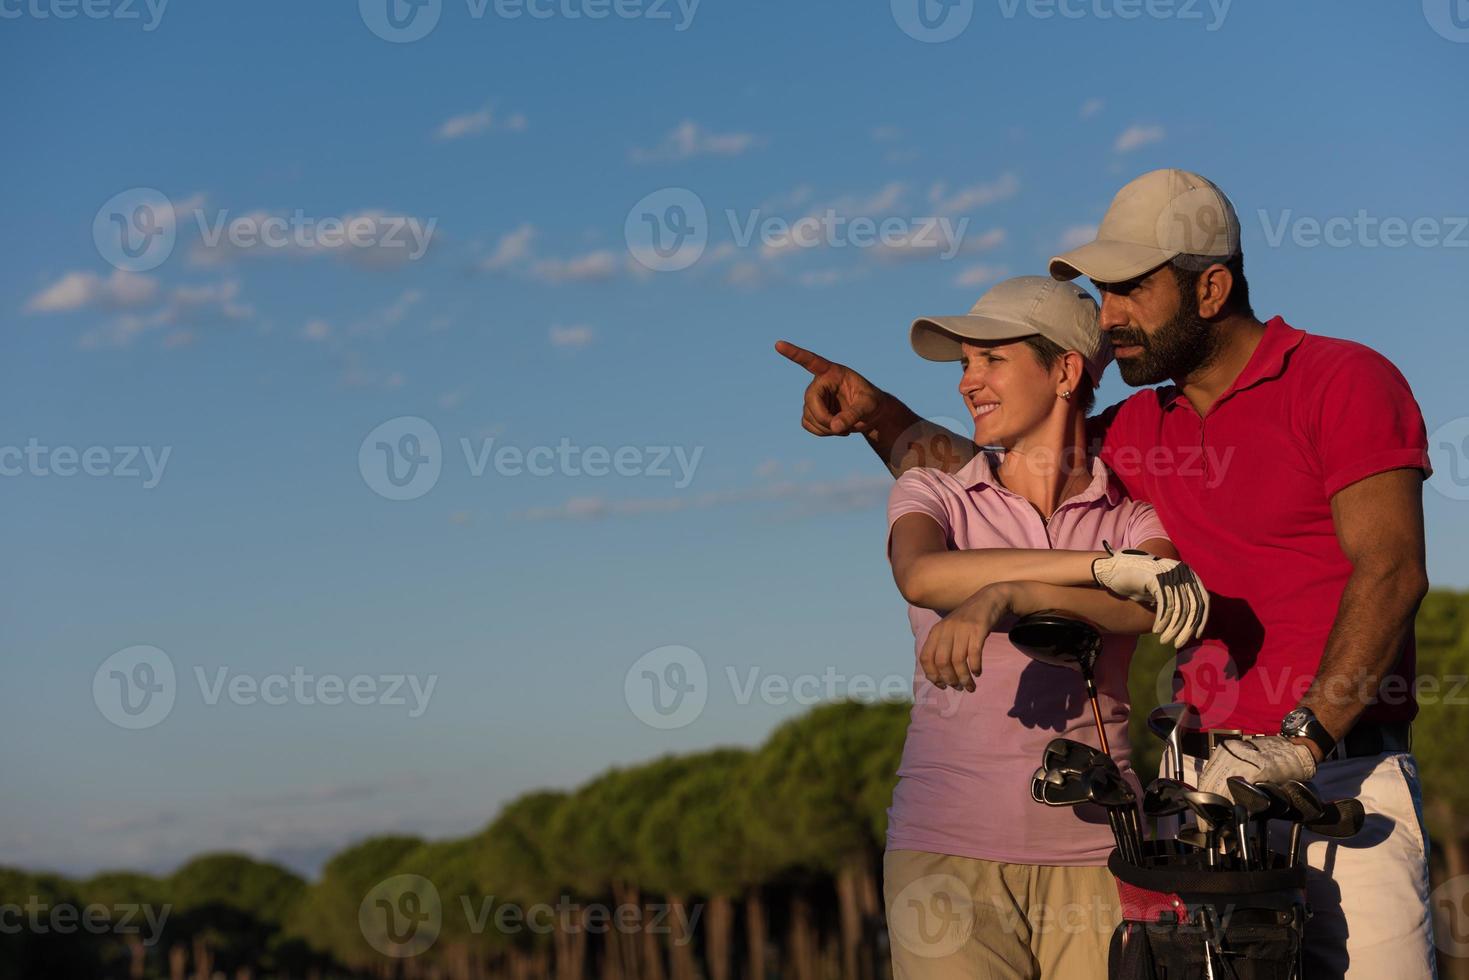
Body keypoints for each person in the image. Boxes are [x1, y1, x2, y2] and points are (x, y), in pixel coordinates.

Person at [777, 169, 1435, 980]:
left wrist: (1302, 741)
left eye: (1129, 289)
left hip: (1338, 775)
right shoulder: (1134, 427)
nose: (1109, 316)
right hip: (1195, 792)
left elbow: (1393, 570)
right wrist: (875, 413)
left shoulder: (1340, 379)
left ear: (1211, 287)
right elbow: (997, 462)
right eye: (1101, 292)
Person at [875, 274, 1208, 979]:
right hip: (944, 856)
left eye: (990, 359)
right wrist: (1097, 567)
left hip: (1100, 860)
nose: (968, 383)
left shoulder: (1132, 517)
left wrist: (1007, 594)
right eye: (964, 364)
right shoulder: (932, 491)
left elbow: (1149, 604)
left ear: (1063, 370)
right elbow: (923, 576)